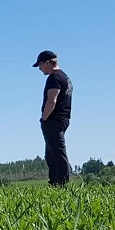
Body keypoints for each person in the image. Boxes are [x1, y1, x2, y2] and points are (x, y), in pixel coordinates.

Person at [34, 50, 73, 186]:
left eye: (40, 65)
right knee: (52, 153)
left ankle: (60, 183)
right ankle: (57, 182)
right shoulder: (65, 77)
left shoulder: (54, 78)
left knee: (56, 153)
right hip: (63, 119)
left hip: (54, 120)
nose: (39, 68)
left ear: (48, 63)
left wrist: (44, 118)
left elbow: (52, 100)